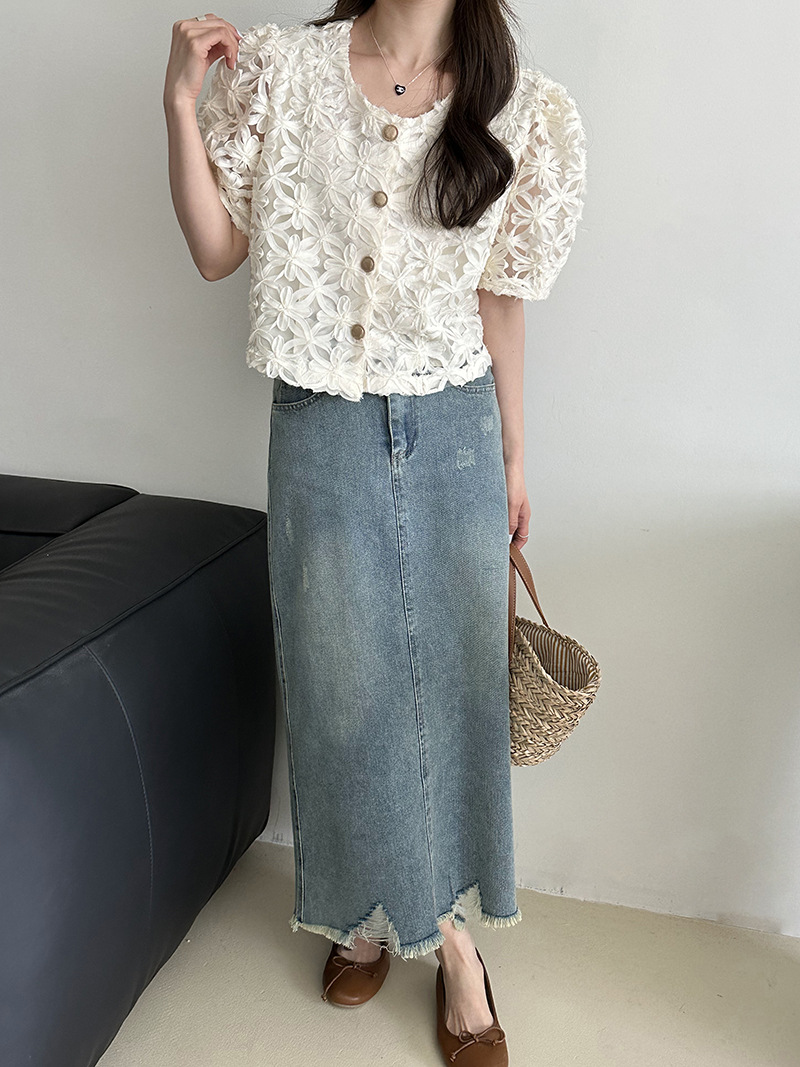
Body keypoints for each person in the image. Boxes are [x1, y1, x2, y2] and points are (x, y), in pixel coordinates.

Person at [164, 3, 587, 1062]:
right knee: (340, 685)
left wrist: (515, 458)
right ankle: (365, 908)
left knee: (452, 688)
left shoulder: (517, 106)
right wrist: (178, 103)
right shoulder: (285, 70)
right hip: (322, 424)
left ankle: (450, 942)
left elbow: (500, 302)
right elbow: (217, 252)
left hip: (454, 428)